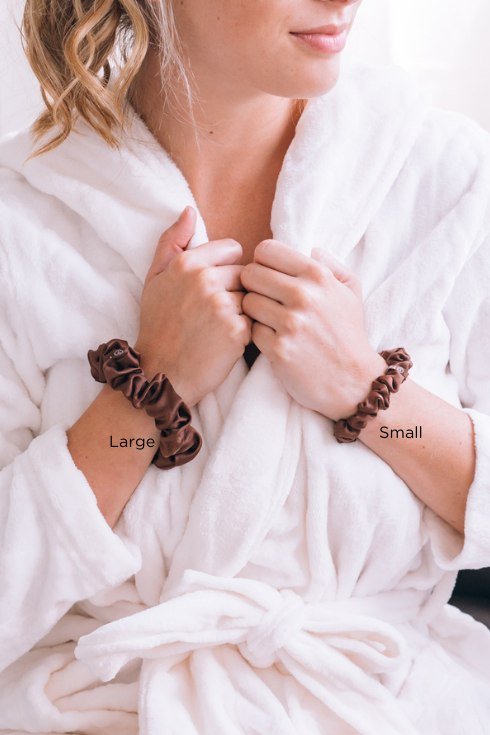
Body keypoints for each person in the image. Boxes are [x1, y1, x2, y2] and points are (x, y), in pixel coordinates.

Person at [0, 0, 490, 733]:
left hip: (388, 705)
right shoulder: (22, 222)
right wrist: (147, 394)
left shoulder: (445, 182)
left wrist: (369, 392)